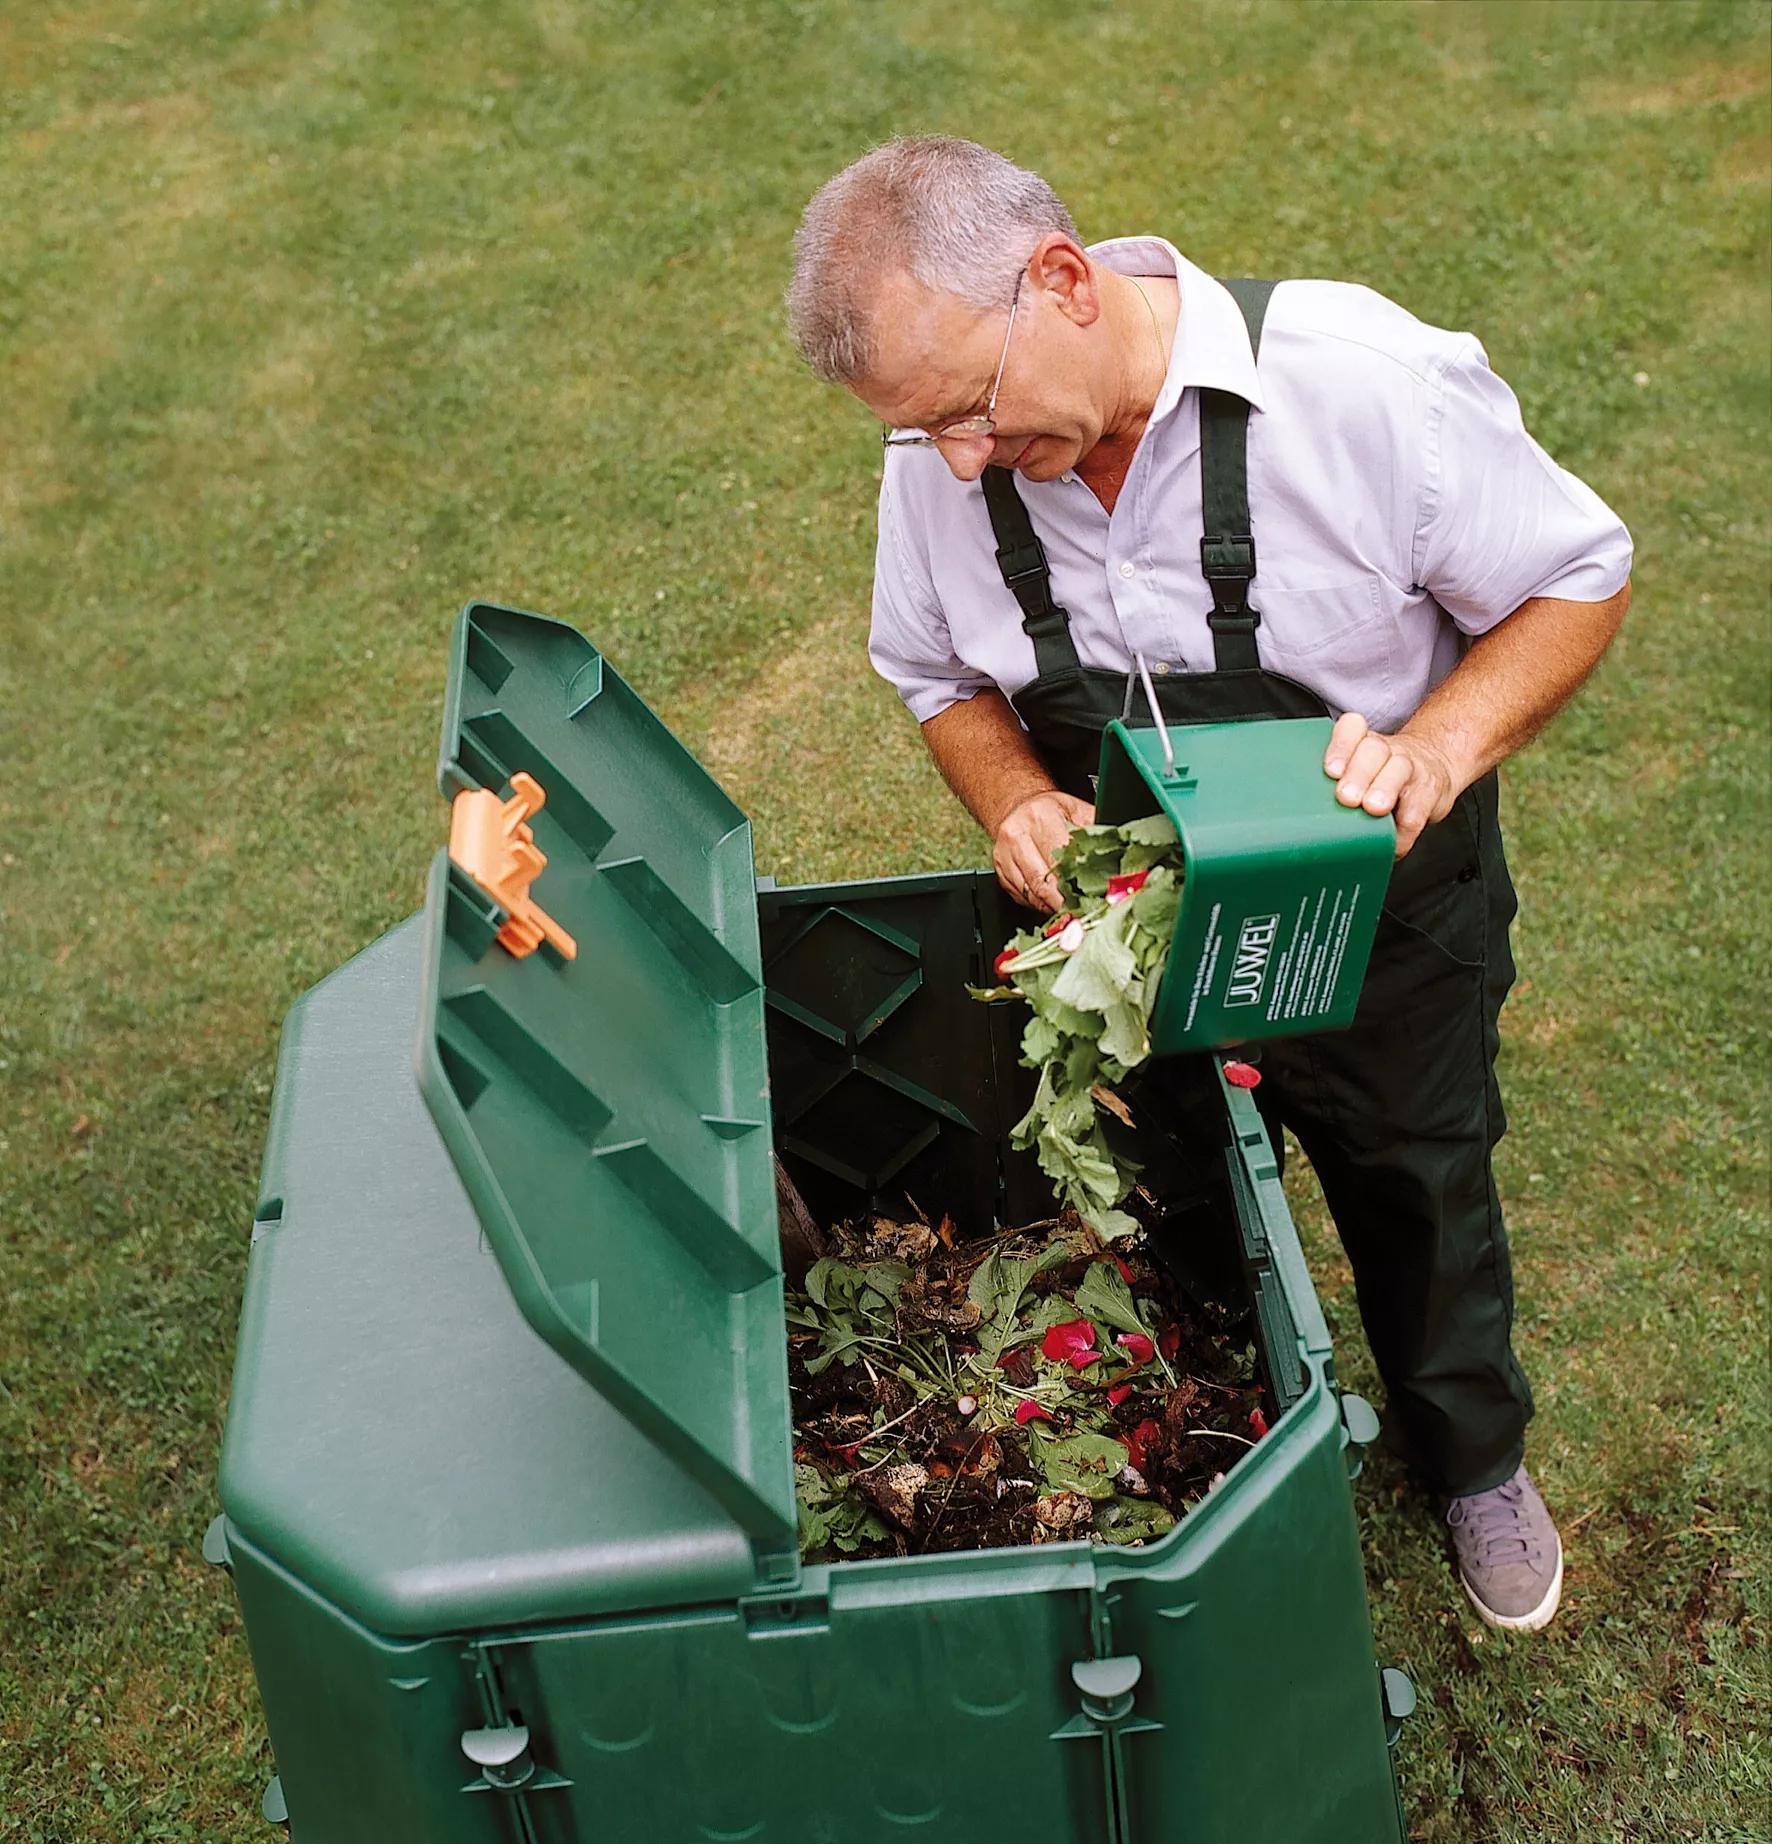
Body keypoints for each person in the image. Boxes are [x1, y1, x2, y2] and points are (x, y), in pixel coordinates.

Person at [785, 137, 1633, 1633]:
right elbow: (931, 673)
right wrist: (1018, 796)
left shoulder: (1366, 386)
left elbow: (1579, 575)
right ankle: (1225, 1450)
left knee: (1418, 1188)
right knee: (1170, 1201)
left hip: (1375, 919)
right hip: (1128, 945)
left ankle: (1473, 1460)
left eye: (969, 414)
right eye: (923, 437)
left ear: (1063, 281)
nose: (960, 465)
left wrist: (1441, 746)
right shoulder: (941, 458)